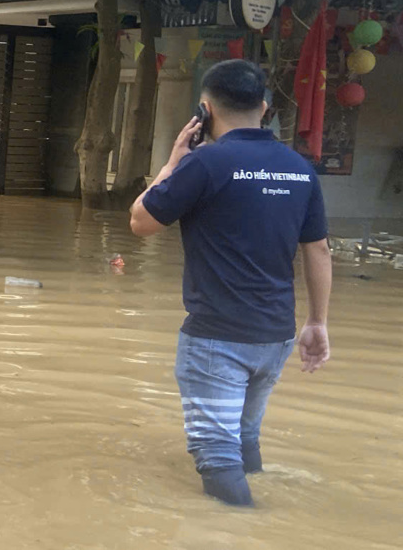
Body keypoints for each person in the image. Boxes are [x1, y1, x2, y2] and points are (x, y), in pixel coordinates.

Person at [130, 59, 332, 506]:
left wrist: (171, 163)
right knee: (243, 439)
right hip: (275, 335)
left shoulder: (205, 164)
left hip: (217, 339)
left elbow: (141, 222)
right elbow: (317, 249)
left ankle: (246, 529)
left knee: (216, 454)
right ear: (264, 107)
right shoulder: (299, 169)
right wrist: (317, 322)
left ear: (204, 109)